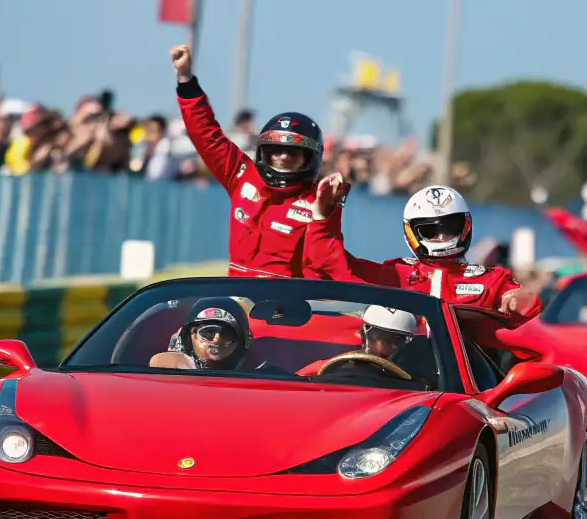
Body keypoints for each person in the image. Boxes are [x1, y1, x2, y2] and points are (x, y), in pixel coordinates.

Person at [170, 44, 332, 278]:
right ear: (263, 151)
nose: (283, 157)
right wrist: (185, 79)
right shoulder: (241, 175)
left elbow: (328, 264)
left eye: (293, 152)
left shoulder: (320, 202)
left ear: (310, 158)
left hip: (288, 308)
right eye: (275, 149)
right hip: (236, 299)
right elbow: (206, 134)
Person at [305, 175, 541, 325]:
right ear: (412, 232)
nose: (440, 236)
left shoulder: (494, 280)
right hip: (400, 381)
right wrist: (323, 219)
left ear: (465, 226)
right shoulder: (393, 275)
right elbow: (329, 264)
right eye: (429, 230)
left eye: (450, 227)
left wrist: (519, 302)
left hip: (466, 386)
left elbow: (530, 316)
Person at [149, 297, 252, 371]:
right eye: (208, 332)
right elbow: (159, 361)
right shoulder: (172, 365)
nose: (217, 340)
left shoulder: (256, 369)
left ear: (241, 341)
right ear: (190, 337)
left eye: (227, 334)